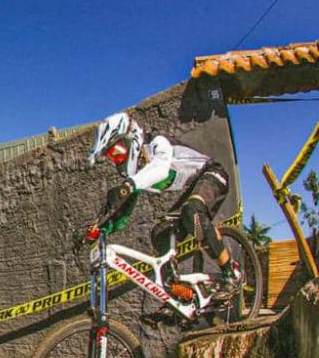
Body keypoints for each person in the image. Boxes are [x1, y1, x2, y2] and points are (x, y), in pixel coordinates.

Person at [86, 112, 241, 300]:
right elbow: (123, 213)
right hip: (192, 188)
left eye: (115, 152)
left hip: (212, 174)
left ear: (129, 138)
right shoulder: (138, 174)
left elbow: (161, 168)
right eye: (111, 158)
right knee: (160, 234)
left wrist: (129, 185)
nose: (116, 159)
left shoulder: (156, 143)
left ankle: (231, 273)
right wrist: (101, 229)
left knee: (192, 212)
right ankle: (183, 296)